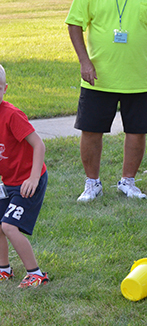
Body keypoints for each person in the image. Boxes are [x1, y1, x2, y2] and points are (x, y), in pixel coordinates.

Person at [65, 0, 147, 202]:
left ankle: (128, 182)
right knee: (90, 130)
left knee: (137, 130)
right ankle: (92, 183)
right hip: (97, 78)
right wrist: (84, 61)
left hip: (139, 77)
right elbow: (74, 24)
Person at [0, 64, 50, 288]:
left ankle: (36, 274)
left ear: (5, 89)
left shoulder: (12, 115)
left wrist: (33, 178)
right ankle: (4, 270)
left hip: (29, 181)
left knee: (9, 227)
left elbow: (38, 145)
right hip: (7, 182)